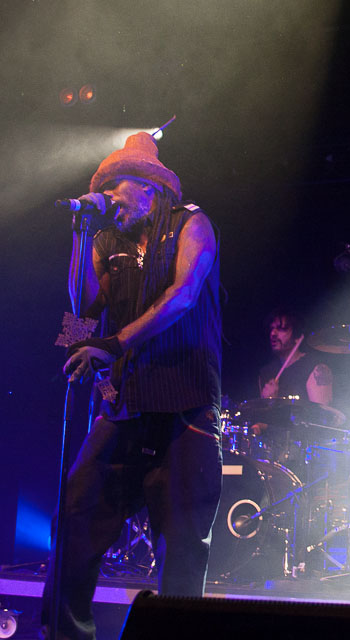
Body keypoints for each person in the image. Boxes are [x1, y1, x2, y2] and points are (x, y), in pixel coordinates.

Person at [43, 132, 222, 640]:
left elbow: (184, 295)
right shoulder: (106, 242)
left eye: (114, 189)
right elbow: (82, 310)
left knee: (182, 547)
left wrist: (114, 343)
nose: (109, 200)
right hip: (123, 406)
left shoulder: (191, 224)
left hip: (185, 408)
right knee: (75, 519)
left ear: (148, 188)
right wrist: (81, 234)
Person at [258, 308, 332, 404]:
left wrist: (273, 402)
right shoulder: (266, 373)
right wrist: (269, 403)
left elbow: (320, 412)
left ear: (297, 336)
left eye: (281, 329)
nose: (273, 333)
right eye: (272, 329)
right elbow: (262, 413)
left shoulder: (315, 368)